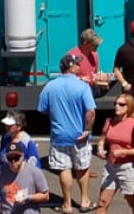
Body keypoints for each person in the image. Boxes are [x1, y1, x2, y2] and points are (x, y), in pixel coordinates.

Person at [37, 54, 96, 214]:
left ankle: (67, 204)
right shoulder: (82, 86)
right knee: (82, 167)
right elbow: (90, 112)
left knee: (64, 169)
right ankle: (84, 201)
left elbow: (42, 109)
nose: (79, 66)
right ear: (71, 67)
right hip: (80, 136)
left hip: (59, 135)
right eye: (77, 64)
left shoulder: (50, 86)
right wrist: (87, 130)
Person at [96, 94, 134, 214]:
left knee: (133, 203)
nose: (117, 106)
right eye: (115, 103)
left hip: (128, 167)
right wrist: (100, 148)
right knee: (102, 203)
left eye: (121, 104)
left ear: (129, 107)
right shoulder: (109, 121)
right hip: (110, 167)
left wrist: (124, 152)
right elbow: (102, 139)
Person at [0, 141, 49, 214]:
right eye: (10, 158)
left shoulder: (35, 172)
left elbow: (46, 196)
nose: (13, 161)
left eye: (17, 158)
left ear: (23, 156)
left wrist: (29, 198)